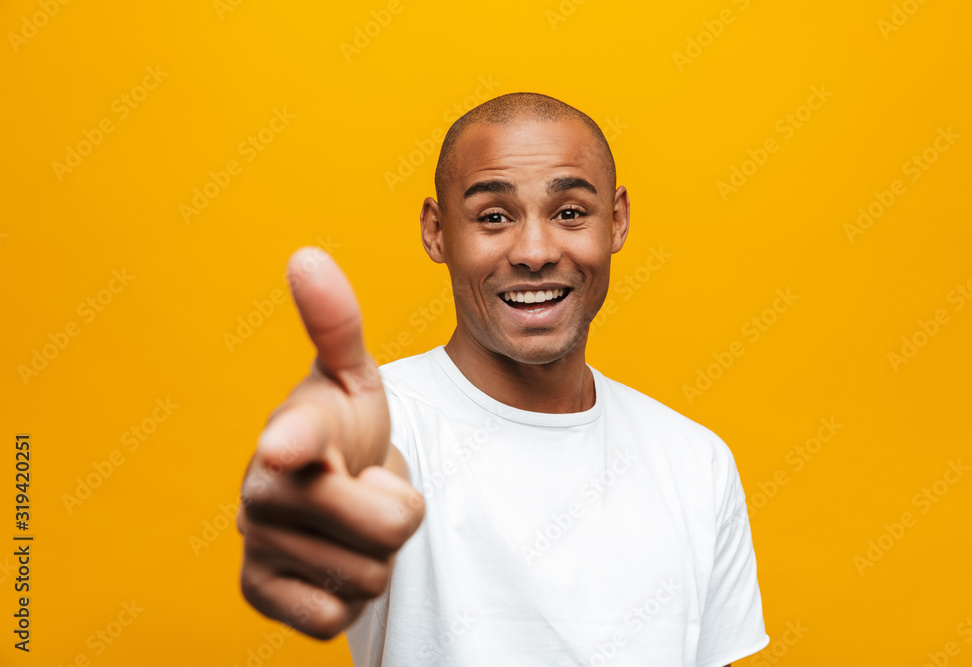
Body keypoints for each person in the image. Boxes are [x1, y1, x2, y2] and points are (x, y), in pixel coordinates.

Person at [237, 92, 769, 666]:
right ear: (437, 232)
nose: (535, 252)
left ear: (616, 221)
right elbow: (333, 476)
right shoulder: (384, 427)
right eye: (493, 217)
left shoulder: (696, 462)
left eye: (569, 213)